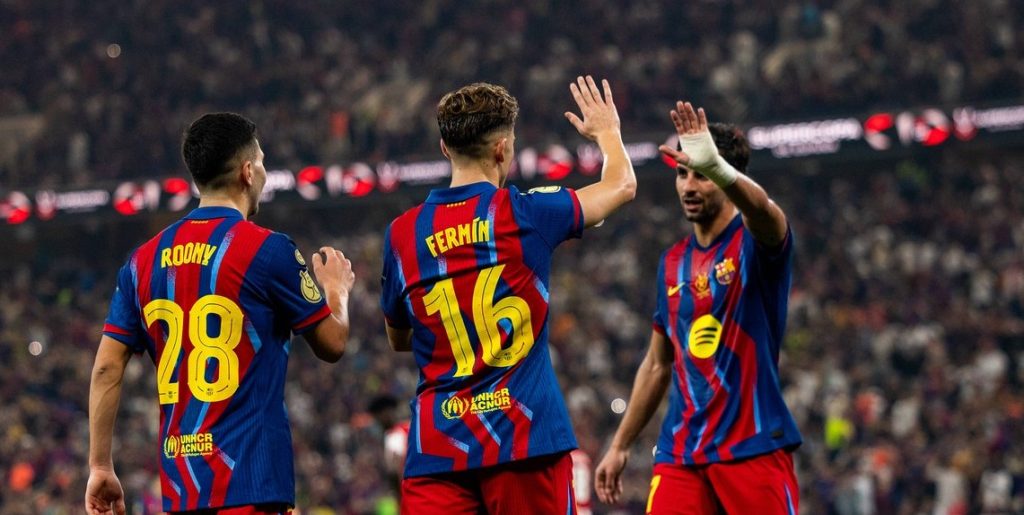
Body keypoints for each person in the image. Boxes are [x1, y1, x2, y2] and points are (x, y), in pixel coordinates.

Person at [379, 76, 636, 514]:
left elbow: (400, 338)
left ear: (445, 149)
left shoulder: (403, 234)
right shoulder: (526, 214)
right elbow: (621, 186)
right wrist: (608, 132)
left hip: (438, 451)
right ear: (502, 149)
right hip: (525, 440)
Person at [85, 113, 356, 515]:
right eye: (261, 162)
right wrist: (337, 290)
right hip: (252, 485)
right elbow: (332, 344)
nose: (264, 173)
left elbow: (107, 368)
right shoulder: (270, 250)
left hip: (182, 490)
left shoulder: (141, 262)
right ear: (247, 172)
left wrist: (100, 466)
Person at [594, 101, 802, 514]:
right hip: (682, 454)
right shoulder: (672, 262)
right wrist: (620, 445)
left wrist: (719, 169)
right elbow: (658, 364)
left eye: (702, 175)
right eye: (682, 174)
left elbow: (764, 212)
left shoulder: (755, 243)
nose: (689, 187)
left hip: (752, 445)